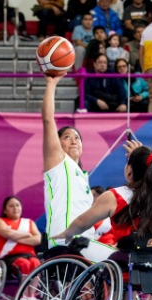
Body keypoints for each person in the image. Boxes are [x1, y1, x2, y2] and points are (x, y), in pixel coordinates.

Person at [54, 142, 152, 300]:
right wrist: (150, 159)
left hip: (131, 262)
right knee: (125, 266)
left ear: (129, 170)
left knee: (112, 266)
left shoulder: (115, 196)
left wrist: (67, 234)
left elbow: (81, 223)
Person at [41, 73, 116, 262]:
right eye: (67, 137)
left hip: (84, 242)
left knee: (122, 260)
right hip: (65, 242)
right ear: (57, 143)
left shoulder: (82, 176)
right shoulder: (58, 164)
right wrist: (51, 83)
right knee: (119, 261)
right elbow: (48, 120)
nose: (74, 140)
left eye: (77, 137)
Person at [0, 196, 41, 276]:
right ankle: (24, 289)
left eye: (17, 205)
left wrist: (14, 238)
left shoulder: (29, 222)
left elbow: (38, 239)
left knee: (36, 263)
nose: (15, 208)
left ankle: (33, 289)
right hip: (9, 257)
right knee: (24, 264)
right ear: (5, 210)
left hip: (29, 255)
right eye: (11, 206)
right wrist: (27, 234)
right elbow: (8, 234)